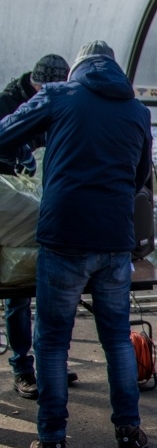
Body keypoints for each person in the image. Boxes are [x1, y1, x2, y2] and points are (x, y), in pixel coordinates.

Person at [0, 41, 152, 448]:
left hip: (63, 237)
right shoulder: (138, 112)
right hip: (114, 242)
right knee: (117, 341)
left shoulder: (59, 95)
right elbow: (140, 178)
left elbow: (5, 132)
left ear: (78, 70)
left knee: (51, 343)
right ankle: (128, 434)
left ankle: (52, 442)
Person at [0, 54, 77, 400]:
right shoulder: (7, 104)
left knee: (44, 283)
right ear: (36, 83)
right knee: (16, 292)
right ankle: (22, 368)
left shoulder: (52, 99)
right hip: (7, 205)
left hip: (28, 194)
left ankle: (49, 364)